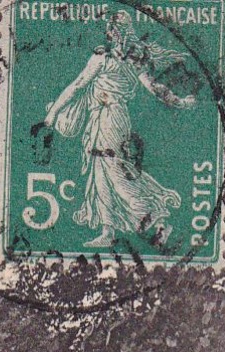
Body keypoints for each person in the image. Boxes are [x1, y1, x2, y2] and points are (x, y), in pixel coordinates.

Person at [41, 11, 196, 249]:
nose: (113, 34)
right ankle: (108, 230)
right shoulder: (130, 60)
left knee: (113, 170)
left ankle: (153, 212)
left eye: (114, 30)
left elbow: (78, 86)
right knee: (100, 171)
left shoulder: (103, 59)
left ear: (114, 33)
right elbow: (156, 89)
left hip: (109, 119)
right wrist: (180, 102)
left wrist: (52, 114)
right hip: (106, 118)